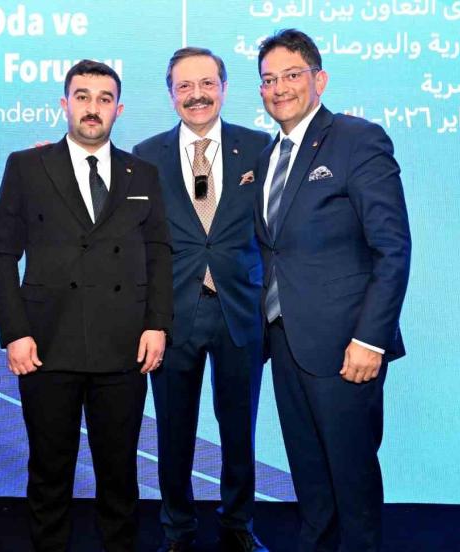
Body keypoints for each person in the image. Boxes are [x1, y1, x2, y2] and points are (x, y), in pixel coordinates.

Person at [0, 59, 173, 552]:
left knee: (120, 475)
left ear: (119, 109)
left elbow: (159, 253)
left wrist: (157, 324)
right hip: (47, 345)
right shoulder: (26, 167)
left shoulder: (143, 173)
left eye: (104, 99)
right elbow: (2, 254)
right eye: (83, 96)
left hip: (124, 347)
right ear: (64, 104)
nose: (94, 108)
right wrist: (15, 332)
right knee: (50, 472)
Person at [254, 29, 412, 552]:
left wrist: (370, 339)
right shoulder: (268, 156)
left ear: (319, 80)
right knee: (310, 482)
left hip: (347, 348)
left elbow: (392, 248)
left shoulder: (356, 140)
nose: (279, 88)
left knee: (352, 482)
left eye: (291, 75)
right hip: (285, 342)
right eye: (268, 80)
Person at [133, 48, 271, 552]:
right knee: (173, 431)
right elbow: (138, 240)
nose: (197, 95)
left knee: (240, 430)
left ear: (225, 88)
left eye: (207, 84)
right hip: (172, 316)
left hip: (240, 310)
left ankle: (238, 524)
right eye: (185, 86)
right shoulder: (145, 155)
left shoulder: (258, 147)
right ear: (171, 94)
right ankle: (178, 529)